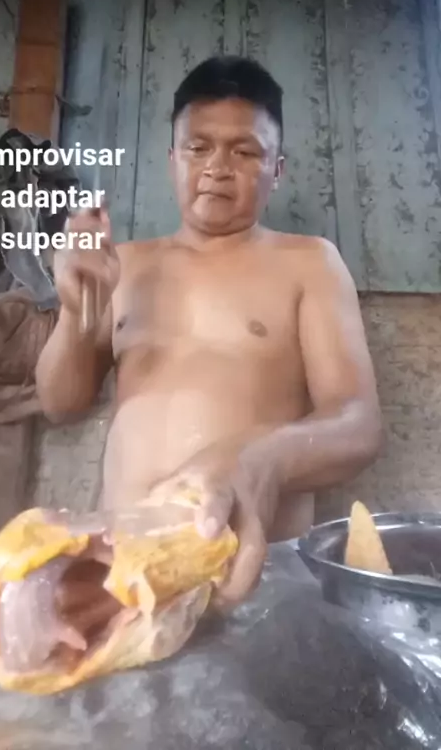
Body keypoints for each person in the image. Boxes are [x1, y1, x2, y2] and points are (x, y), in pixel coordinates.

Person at [35, 55, 382, 611]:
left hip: (254, 576)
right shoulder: (124, 264)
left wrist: (256, 461)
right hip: (123, 567)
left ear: (278, 169)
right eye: (198, 148)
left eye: (244, 152)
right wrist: (77, 315)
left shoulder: (309, 263)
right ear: (173, 158)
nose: (218, 167)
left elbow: (358, 423)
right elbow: (60, 403)